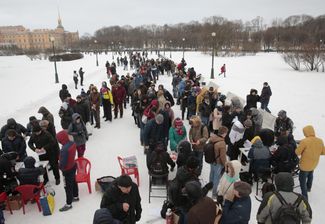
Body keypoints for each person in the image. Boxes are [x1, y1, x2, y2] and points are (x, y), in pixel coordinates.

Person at [295, 125, 325, 200]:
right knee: (310, 174)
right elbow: (323, 152)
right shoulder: (320, 140)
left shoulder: (305, 141)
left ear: (306, 132)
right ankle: (309, 188)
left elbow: (297, 152)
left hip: (305, 165)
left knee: (302, 179)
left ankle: (305, 197)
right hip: (314, 163)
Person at [56, 130, 79, 212]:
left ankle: (68, 204)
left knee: (67, 187)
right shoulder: (72, 143)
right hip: (73, 165)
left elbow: (63, 163)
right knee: (73, 181)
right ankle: (76, 196)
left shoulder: (64, 150)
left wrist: (59, 166)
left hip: (67, 170)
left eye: (59, 140)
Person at [209, 126, 228, 199]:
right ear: (223, 134)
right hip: (218, 162)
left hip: (212, 159)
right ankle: (214, 193)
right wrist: (225, 164)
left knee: (212, 173)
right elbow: (223, 157)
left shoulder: (213, 138)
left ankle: (210, 186)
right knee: (216, 178)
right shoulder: (222, 143)